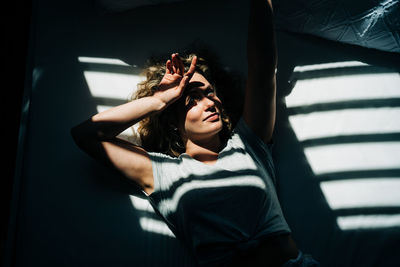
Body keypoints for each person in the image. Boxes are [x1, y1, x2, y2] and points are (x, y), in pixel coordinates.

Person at [71, 0, 320, 266]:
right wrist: (158, 102)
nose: (210, 102)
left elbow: (263, 71)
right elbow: (86, 134)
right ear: (172, 123)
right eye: (192, 100)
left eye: (210, 93)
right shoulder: (163, 173)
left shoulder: (249, 146)